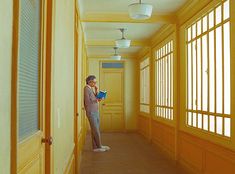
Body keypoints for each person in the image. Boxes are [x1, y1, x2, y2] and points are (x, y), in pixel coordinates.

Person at [84, 75, 110, 152]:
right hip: (91, 112)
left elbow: (93, 98)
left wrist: (96, 90)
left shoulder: (90, 89)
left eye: (96, 82)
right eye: (94, 82)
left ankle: (97, 146)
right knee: (95, 129)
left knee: (96, 129)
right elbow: (88, 101)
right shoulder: (86, 89)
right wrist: (97, 99)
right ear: (89, 82)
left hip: (95, 111)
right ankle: (98, 146)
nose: (95, 83)